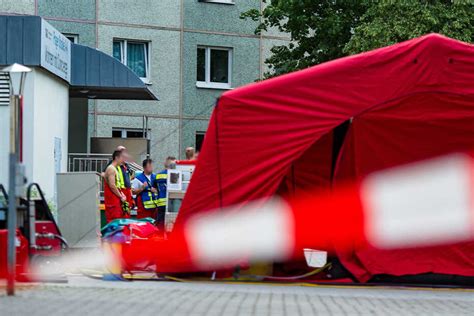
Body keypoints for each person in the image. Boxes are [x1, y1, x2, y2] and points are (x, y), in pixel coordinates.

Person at [103, 150, 130, 223]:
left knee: (117, 223)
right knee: (114, 223)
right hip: (112, 201)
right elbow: (112, 185)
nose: (123, 160)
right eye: (122, 158)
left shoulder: (114, 169)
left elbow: (115, 185)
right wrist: (121, 196)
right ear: (116, 158)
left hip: (115, 201)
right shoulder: (111, 168)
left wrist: (121, 194)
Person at [155, 156, 176, 232]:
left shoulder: (158, 176)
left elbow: (155, 187)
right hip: (171, 203)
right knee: (170, 225)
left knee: (160, 224)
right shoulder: (174, 174)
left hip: (160, 204)